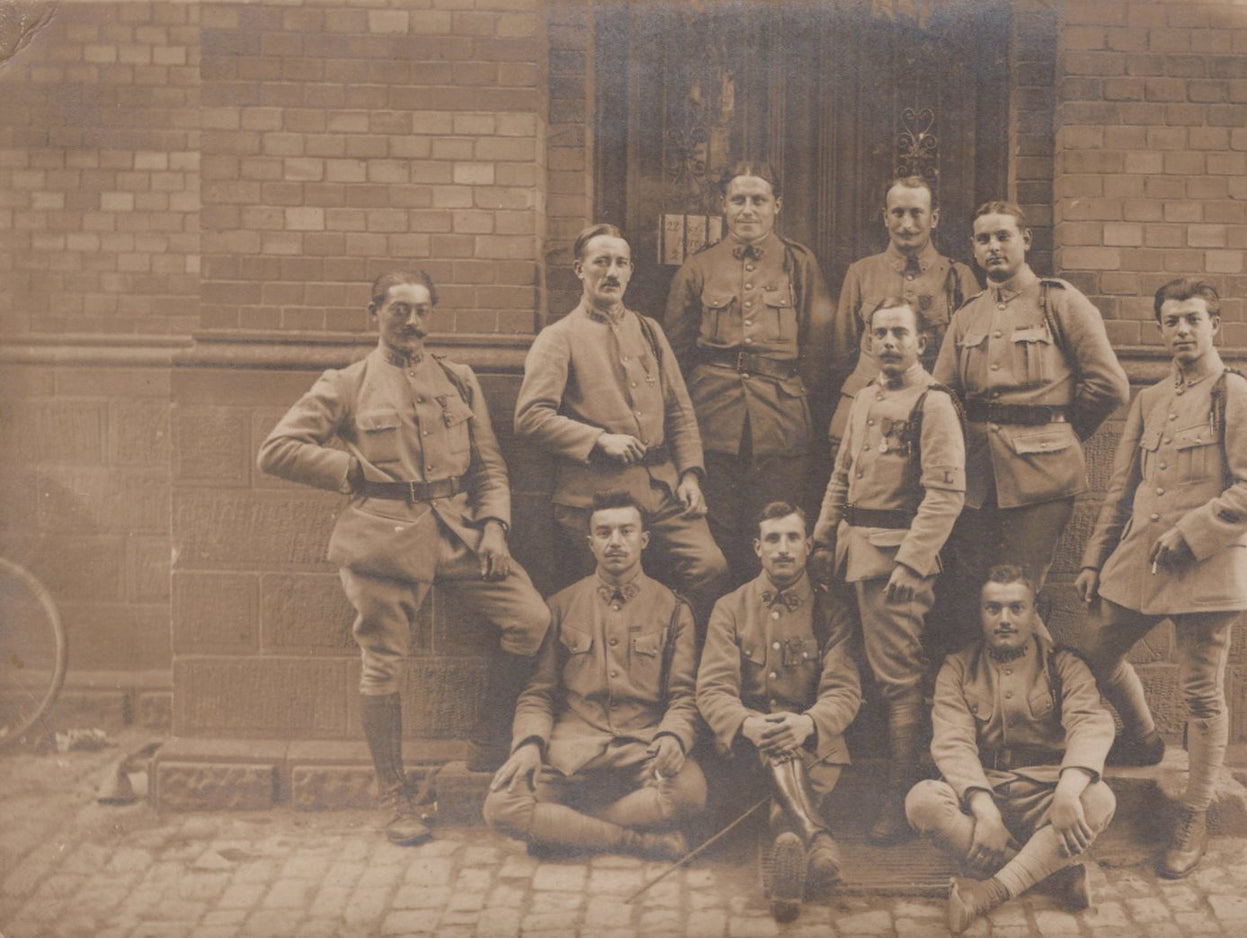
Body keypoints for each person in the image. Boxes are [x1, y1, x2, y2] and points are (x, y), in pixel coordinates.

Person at [257, 269, 551, 846]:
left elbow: (488, 465)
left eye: (421, 311)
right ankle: (395, 797)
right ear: (375, 313)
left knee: (532, 619)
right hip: (383, 537)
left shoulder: (459, 380)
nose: (411, 322)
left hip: (459, 532)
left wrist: (494, 527)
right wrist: (350, 471)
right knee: (383, 664)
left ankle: (488, 743)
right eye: (398, 310)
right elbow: (277, 449)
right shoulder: (346, 384)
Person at [1075, 278, 1247, 878]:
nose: (1182, 331)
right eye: (1171, 321)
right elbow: (1122, 489)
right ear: (1160, 329)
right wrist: (1094, 559)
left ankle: (1195, 816)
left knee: (1200, 696)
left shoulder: (1237, 396)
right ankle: (1139, 737)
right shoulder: (1149, 398)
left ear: (1216, 324)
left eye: (1194, 318)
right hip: (1141, 560)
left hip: (1209, 565)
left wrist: (1193, 533)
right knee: (1091, 653)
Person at [933, 200, 1129, 644]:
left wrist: (1060, 430)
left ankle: (1050, 699)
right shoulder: (968, 315)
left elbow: (1110, 385)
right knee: (977, 597)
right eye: (983, 239)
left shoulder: (1058, 302)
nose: (994, 247)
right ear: (973, 249)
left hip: (1043, 479)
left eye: (1003, 236)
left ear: (1025, 240)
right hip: (978, 482)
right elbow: (942, 395)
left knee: (1018, 595)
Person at [810, 298, 967, 844]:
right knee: (858, 672)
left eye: (901, 332)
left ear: (922, 341)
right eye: (880, 333)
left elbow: (946, 494)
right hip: (853, 550)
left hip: (896, 560)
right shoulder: (865, 398)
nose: (889, 342)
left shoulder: (934, 403)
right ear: (868, 342)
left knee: (899, 682)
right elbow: (841, 474)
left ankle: (903, 801)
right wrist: (822, 537)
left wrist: (912, 561)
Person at [515, 223, 727, 613]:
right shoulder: (559, 337)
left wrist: (691, 474)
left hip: (661, 488)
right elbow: (530, 417)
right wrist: (598, 440)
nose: (611, 273)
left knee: (709, 566)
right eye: (601, 262)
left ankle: (672, 646)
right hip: (594, 492)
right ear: (580, 269)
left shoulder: (649, 330)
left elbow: (679, 410)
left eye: (620, 263)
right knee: (603, 592)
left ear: (631, 271)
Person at [482, 492, 707, 860]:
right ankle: (636, 843)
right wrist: (528, 744)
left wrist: (674, 738)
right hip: (572, 750)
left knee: (690, 793)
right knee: (501, 806)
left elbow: (685, 696)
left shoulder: (674, 610)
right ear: (591, 543)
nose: (615, 542)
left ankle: (567, 828)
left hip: (642, 748)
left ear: (644, 540)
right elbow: (538, 693)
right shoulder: (560, 605)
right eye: (604, 533)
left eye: (626, 531)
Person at [906, 566, 1116, 933]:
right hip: (984, 795)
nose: (1005, 619)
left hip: (1045, 796)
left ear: (1035, 613)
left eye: (1017, 608)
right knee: (921, 802)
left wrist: (1067, 792)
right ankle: (1052, 876)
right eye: (993, 608)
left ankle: (987, 893)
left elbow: (1091, 723)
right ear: (980, 613)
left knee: (1100, 799)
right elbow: (953, 742)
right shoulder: (957, 667)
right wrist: (985, 811)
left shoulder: (1063, 664)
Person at [664, 160, 842, 581]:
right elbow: (676, 351)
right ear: (723, 206)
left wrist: (791, 396)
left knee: (775, 526)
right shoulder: (699, 266)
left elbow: (818, 352)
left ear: (776, 205)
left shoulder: (800, 264)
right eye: (738, 200)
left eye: (758, 200)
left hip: (780, 421)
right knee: (719, 536)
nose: (748, 210)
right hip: (714, 420)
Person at [696, 502, 862, 919]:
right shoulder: (730, 608)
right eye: (773, 539)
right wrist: (749, 724)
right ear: (757, 548)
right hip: (750, 748)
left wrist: (806, 723)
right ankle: (816, 839)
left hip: (813, 747)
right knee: (775, 749)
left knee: (784, 793)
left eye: (792, 539)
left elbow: (844, 691)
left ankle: (789, 853)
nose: (783, 548)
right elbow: (712, 690)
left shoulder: (831, 611)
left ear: (808, 546)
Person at [827, 175, 979, 452]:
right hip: (868, 407)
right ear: (885, 217)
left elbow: (971, 358)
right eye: (897, 213)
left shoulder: (958, 276)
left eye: (916, 213)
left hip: (930, 410)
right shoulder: (861, 273)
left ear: (934, 218)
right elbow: (842, 352)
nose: (906, 224)